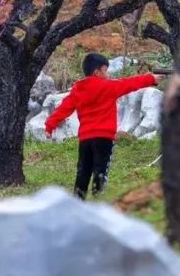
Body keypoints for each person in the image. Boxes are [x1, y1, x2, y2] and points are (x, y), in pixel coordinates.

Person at [45, 53, 157, 199]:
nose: (108, 74)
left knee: (83, 171)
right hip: (104, 137)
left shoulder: (78, 90)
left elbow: (63, 108)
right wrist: (151, 78)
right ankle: (98, 200)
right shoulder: (109, 86)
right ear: (97, 72)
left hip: (85, 138)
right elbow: (129, 83)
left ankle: (77, 201)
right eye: (106, 70)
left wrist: (49, 125)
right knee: (100, 170)